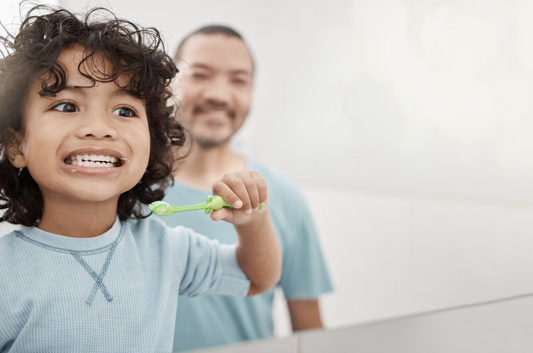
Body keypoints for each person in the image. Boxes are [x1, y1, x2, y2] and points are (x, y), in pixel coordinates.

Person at [0, 6, 282, 353]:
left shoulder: (167, 250)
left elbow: (256, 277)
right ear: (16, 145)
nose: (99, 129)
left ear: (153, 141)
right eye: (68, 106)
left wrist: (253, 223)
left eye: (125, 111)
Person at [164, 25, 334, 352]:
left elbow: (311, 332)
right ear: (169, 83)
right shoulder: (126, 189)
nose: (220, 94)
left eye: (238, 80)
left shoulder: (283, 197)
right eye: (200, 74)